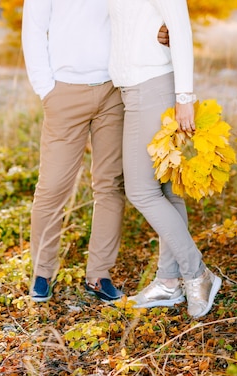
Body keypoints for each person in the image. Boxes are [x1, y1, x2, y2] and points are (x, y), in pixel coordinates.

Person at [21, 1, 170, 303]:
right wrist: (45, 89)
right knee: (52, 187)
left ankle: (99, 274)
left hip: (113, 89)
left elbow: (137, 15)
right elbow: (33, 30)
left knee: (110, 184)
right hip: (63, 93)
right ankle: (42, 272)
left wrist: (164, 29)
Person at [107, 0, 222, 318]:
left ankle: (197, 273)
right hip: (134, 89)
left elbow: (180, 28)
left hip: (153, 86)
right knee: (167, 191)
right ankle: (169, 282)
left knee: (141, 191)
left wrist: (185, 96)